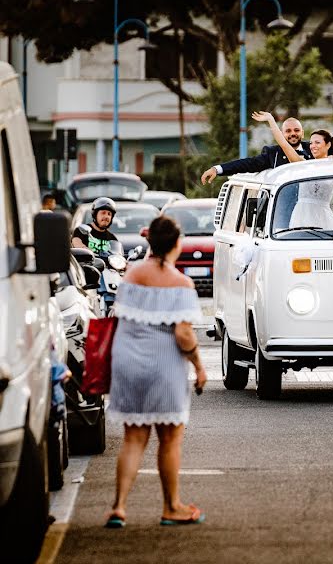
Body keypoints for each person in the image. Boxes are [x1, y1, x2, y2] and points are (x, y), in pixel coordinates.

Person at [104, 215, 207, 528]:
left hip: (128, 362)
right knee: (169, 439)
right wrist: (199, 367)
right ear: (177, 244)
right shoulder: (181, 283)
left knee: (133, 438)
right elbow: (184, 334)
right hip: (165, 366)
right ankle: (171, 506)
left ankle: (119, 507)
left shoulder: (131, 276)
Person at [253, 112, 333, 230]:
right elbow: (284, 145)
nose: (312, 146)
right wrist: (271, 120)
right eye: (311, 143)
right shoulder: (303, 164)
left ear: (328, 145)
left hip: (324, 217)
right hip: (301, 216)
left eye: (317, 142)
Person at [199, 117, 333, 184]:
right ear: (283, 133)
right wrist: (218, 169)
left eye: (296, 130)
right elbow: (248, 163)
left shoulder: (313, 148)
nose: (293, 134)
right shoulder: (273, 153)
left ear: (302, 132)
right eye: (288, 131)